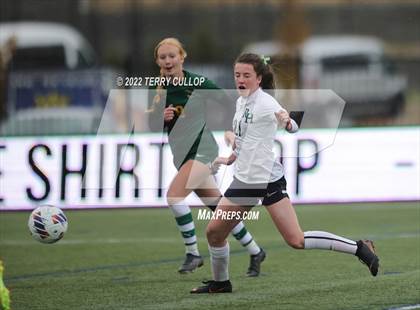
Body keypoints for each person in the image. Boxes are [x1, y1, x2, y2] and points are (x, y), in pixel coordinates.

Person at [191, 53, 379, 293]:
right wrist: (231, 155)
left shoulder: (266, 102)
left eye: (247, 75)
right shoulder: (241, 102)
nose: (240, 79)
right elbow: (245, 139)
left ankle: (360, 248)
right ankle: (221, 283)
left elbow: (292, 125)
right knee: (215, 232)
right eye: (237, 75)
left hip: (267, 179)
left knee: (296, 240)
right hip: (244, 180)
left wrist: (287, 121)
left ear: (259, 79)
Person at [147, 38, 266, 275]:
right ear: (158, 61)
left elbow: (231, 101)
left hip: (203, 151)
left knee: (173, 197)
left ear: (182, 57)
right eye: (163, 57)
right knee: (220, 209)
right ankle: (255, 251)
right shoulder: (157, 87)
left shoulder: (197, 82)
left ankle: (192, 253)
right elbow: (151, 124)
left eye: (172, 56)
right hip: (182, 155)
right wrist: (162, 117)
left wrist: (233, 128)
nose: (168, 61)